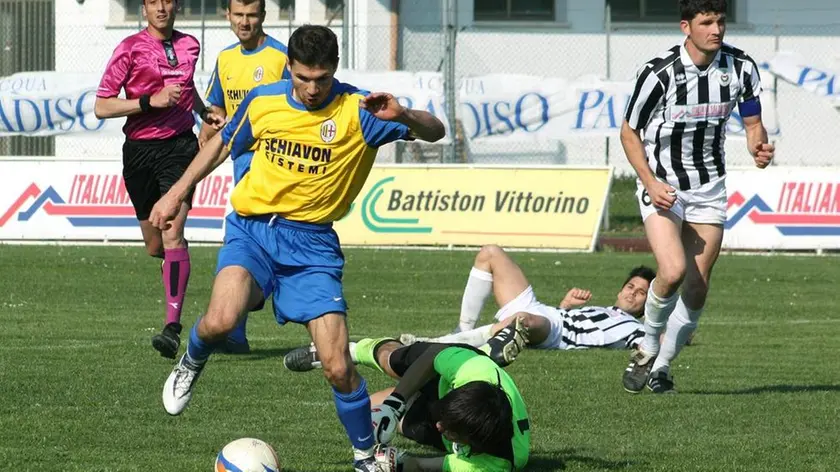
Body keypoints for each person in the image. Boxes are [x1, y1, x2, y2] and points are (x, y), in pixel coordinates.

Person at [149, 25, 445, 471]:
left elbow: (435, 131)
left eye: (321, 79)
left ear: (335, 72)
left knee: (337, 365)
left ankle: (366, 456)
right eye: (302, 77)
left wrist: (403, 115)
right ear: (288, 66)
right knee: (220, 320)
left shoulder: (360, 110)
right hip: (253, 231)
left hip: (312, 247)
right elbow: (222, 146)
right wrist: (176, 193)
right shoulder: (264, 100)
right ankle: (192, 359)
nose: (310, 88)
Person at [620, 0, 773, 394]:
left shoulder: (741, 67)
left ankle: (663, 368)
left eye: (721, 21)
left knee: (698, 285)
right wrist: (650, 182)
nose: (717, 29)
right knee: (671, 271)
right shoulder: (659, 73)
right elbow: (629, 132)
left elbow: (753, 122)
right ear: (686, 26)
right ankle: (646, 348)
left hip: (708, 188)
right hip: (664, 184)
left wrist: (759, 146)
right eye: (707, 22)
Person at [93, 0, 224, 359]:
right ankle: (174, 273)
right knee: (156, 246)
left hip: (181, 148)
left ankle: (172, 327)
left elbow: (187, 88)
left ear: (177, 5)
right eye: (153, 1)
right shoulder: (129, 48)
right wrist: (149, 102)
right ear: (144, 7)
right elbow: (102, 105)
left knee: (172, 231)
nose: (161, 8)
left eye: (167, 0)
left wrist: (202, 112)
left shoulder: (190, 45)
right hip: (139, 153)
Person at [287, 325, 530, 471]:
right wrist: (396, 403)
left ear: (477, 444)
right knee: (394, 361)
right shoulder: (473, 370)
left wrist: (399, 463)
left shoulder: (497, 464)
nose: (439, 425)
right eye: (443, 419)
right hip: (452, 369)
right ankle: (346, 351)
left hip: (456, 397)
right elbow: (433, 356)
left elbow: (428, 466)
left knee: (366, 412)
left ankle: (491, 350)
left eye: (451, 431)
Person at [199, 0, 292, 354]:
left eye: (251, 15)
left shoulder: (282, 58)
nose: (244, 22)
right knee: (239, 251)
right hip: (242, 175)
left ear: (263, 16)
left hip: (279, 173)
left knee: (274, 248)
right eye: (238, 15)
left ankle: (266, 307)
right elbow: (216, 108)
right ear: (228, 16)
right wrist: (211, 126)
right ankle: (235, 332)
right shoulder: (225, 59)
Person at [397, 245, 656, 352]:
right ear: (619, 290)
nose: (632, 292)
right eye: (630, 286)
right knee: (490, 253)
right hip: (544, 311)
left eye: (641, 292)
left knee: (520, 320)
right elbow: (568, 317)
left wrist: (675, 332)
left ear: (647, 305)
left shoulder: (633, 327)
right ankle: (462, 329)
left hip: (554, 331)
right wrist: (565, 305)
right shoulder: (605, 309)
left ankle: (437, 344)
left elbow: (652, 344)